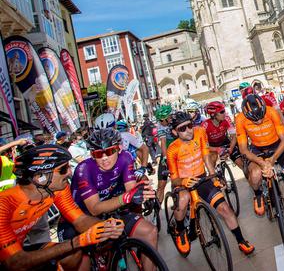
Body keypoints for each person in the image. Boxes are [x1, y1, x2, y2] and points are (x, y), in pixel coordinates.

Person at [0, 144, 125, 271]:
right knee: (71, 247)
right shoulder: (4, 204)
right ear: (39, 177)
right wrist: (75, 242)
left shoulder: (56, 189)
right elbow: (15, 263)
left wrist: (106, 227)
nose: (70, 172)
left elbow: (79, 220)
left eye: (68, 166)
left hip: (17, 249)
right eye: (63, 169)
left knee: (72, 254)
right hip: (10, 259)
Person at [62, 128, 158, 268]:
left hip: (110, 209)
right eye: (98, 154)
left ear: (119, 148)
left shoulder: (125, 158)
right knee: (82, 263)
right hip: (83, 216)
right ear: (92, 155)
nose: (104, 157)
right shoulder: (84, 169)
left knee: (150, 231)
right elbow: (94, 209)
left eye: (109, 151)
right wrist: (125, 198)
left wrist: (142, 192)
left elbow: (130, 190)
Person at [167, 111, 254, 256]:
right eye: (182, 129)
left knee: (225, 208)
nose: (189, 130)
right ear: (174, 132)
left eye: (190, 126)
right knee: (183, 200)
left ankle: (241, 240)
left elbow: (207, 158)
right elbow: (174, 179)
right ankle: (180, 229)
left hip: (201, 179)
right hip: (183, 183)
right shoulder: (172, 150)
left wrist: (213, 177)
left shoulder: (200, 132)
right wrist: (183, 181)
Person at [202, 101, 244, 171]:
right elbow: (204, 146)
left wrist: (230, 148)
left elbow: (233, 136)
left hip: (224, 142)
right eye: (221, 112)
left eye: (224, 111)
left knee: (240, 163)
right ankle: (216, 178)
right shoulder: (205, 125)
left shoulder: (227, 119)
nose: (225, 113)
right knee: (213, 165)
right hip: (212, 146)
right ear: (213, 115)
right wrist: (217, 149)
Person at [154, 104, 173, 203]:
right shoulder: (160, 126)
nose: (161, 122)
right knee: (161, 185)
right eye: (168, 118)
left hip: (178, 152)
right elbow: (163, 142)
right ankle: (157, 209)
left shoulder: (174, 120)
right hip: (167, 152)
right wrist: (165, 158)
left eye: (170, 117)